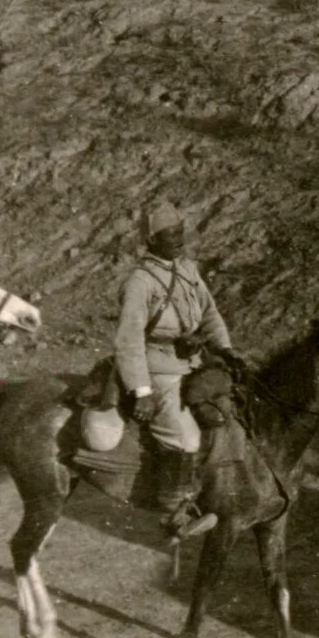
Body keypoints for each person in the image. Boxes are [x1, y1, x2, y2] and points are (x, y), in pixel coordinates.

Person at [115, 202, 232, 542]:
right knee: (184, 437)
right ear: (151, 241)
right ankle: (174, 513)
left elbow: (210, 313)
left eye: (181, 232)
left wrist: (225, 350)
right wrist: (141, 390)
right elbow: (129, 339)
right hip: (159, 369)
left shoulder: (187, 268)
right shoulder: (139, 283)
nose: (179, 240)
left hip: (194, 364)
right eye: (170, 235)